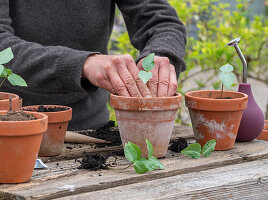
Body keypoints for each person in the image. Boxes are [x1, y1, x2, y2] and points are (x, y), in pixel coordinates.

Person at [0, 0, 186, 130]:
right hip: (9, 126)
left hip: (90, 127)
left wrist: (161, 55)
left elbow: (162, 22)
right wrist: (83, 64)